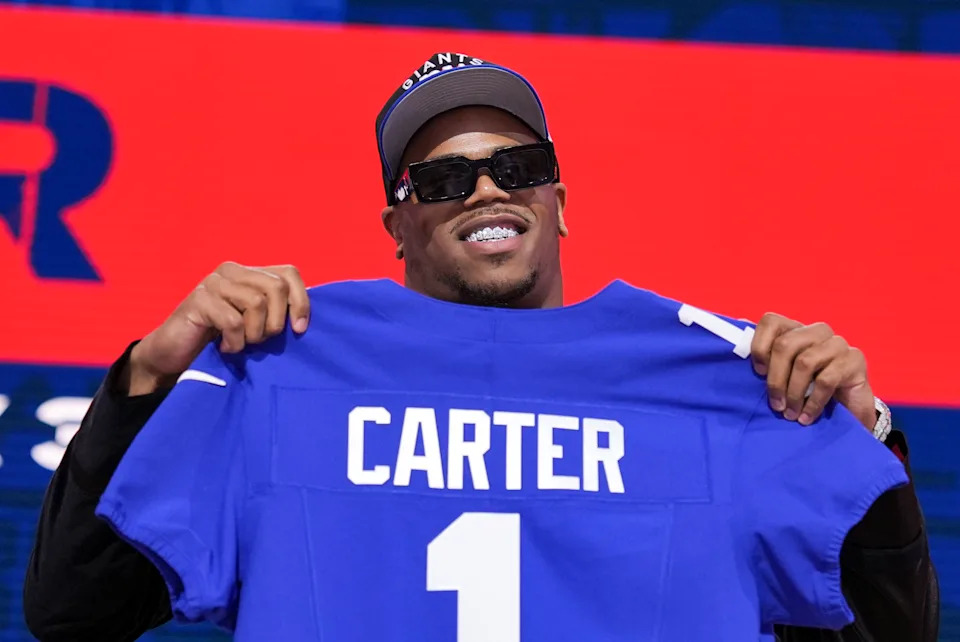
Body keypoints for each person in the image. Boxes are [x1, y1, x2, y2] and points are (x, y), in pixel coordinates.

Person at [23, 53, 937, 642]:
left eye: (520, 167)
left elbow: (893, 632)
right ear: (398, 226)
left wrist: (862, 432)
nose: (488, 190)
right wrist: (151, 374)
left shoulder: (716, 380)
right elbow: (72, 610)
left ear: (559, 202)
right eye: (444, 178)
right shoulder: (283, 365)